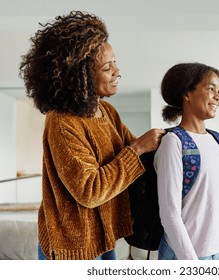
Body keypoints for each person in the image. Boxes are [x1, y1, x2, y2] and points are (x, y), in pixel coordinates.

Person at [19, 11, 165, 260]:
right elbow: (90, 190)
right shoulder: (62, 122)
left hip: (102, 237)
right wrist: (138, 148)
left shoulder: (106, 110)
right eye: (108, 67)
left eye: (115, 63)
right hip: (70, 248)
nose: (117, 71)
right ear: (81, 76)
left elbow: (137, 151)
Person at [154, 62, 219, 260]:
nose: (217, 97)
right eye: (210, 89)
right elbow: (170, 214)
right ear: (187, 94)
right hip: (184, 257)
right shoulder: (173, 142)